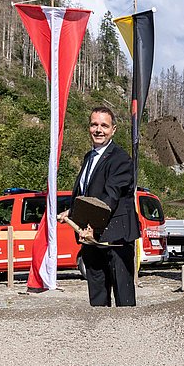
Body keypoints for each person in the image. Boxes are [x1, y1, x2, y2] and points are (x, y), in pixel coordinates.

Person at [63, 106, 140, 307]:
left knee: (123, 296)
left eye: (104, 126)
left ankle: (127, 335)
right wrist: (72, 213)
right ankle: (100, 336)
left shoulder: (121, 159)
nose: (99, 130)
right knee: (97, 292)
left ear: (113, 129)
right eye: (94, 124)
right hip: (90, 236)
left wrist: (93, 226)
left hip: (116, 236)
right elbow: (87, 195)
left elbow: (110, 197)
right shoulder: (89, 158)